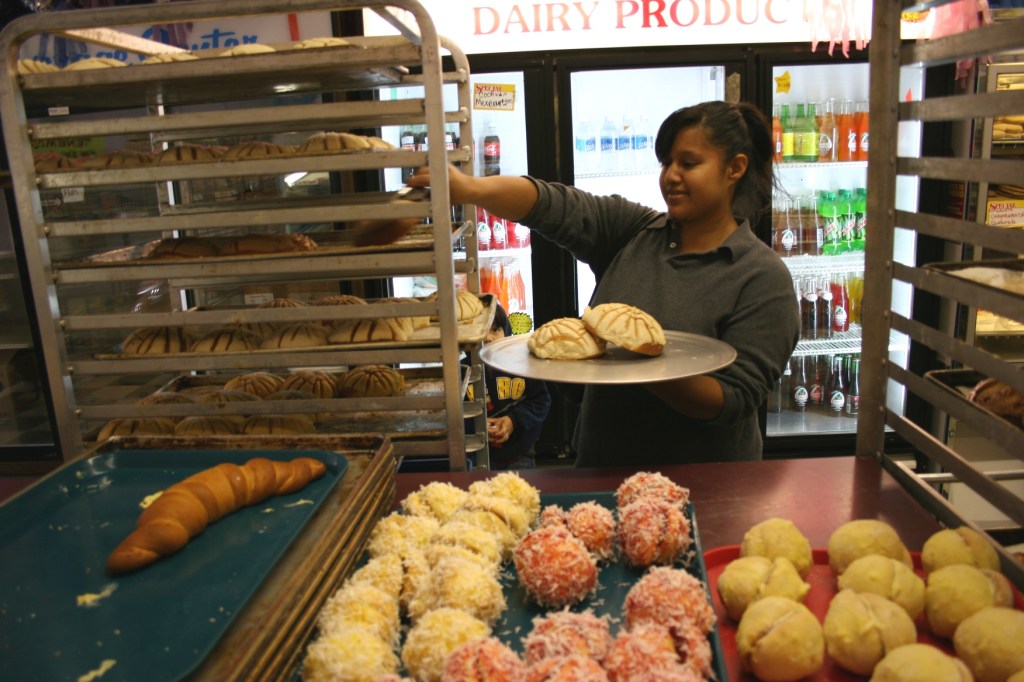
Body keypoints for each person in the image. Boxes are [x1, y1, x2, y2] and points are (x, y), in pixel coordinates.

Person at [412, 101, 799, 466]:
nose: (671, 176)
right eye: (666, 163)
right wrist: (469, 189)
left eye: (689, 163)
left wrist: (632, 358)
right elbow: (550, 204)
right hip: (601, 468)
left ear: (735, 168)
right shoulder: (633, 231)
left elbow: (731, 400)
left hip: (705, 483)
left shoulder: (762, 278)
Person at [464, 303, 551, 470]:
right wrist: (477, 426)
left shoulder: (523, 365)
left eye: (495, 329)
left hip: (520, 453)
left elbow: (541, 401)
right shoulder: (462, 371)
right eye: (481, 331)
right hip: (475, 454)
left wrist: (513, 421)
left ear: (507, 332)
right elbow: (453, 415)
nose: (488, 338)